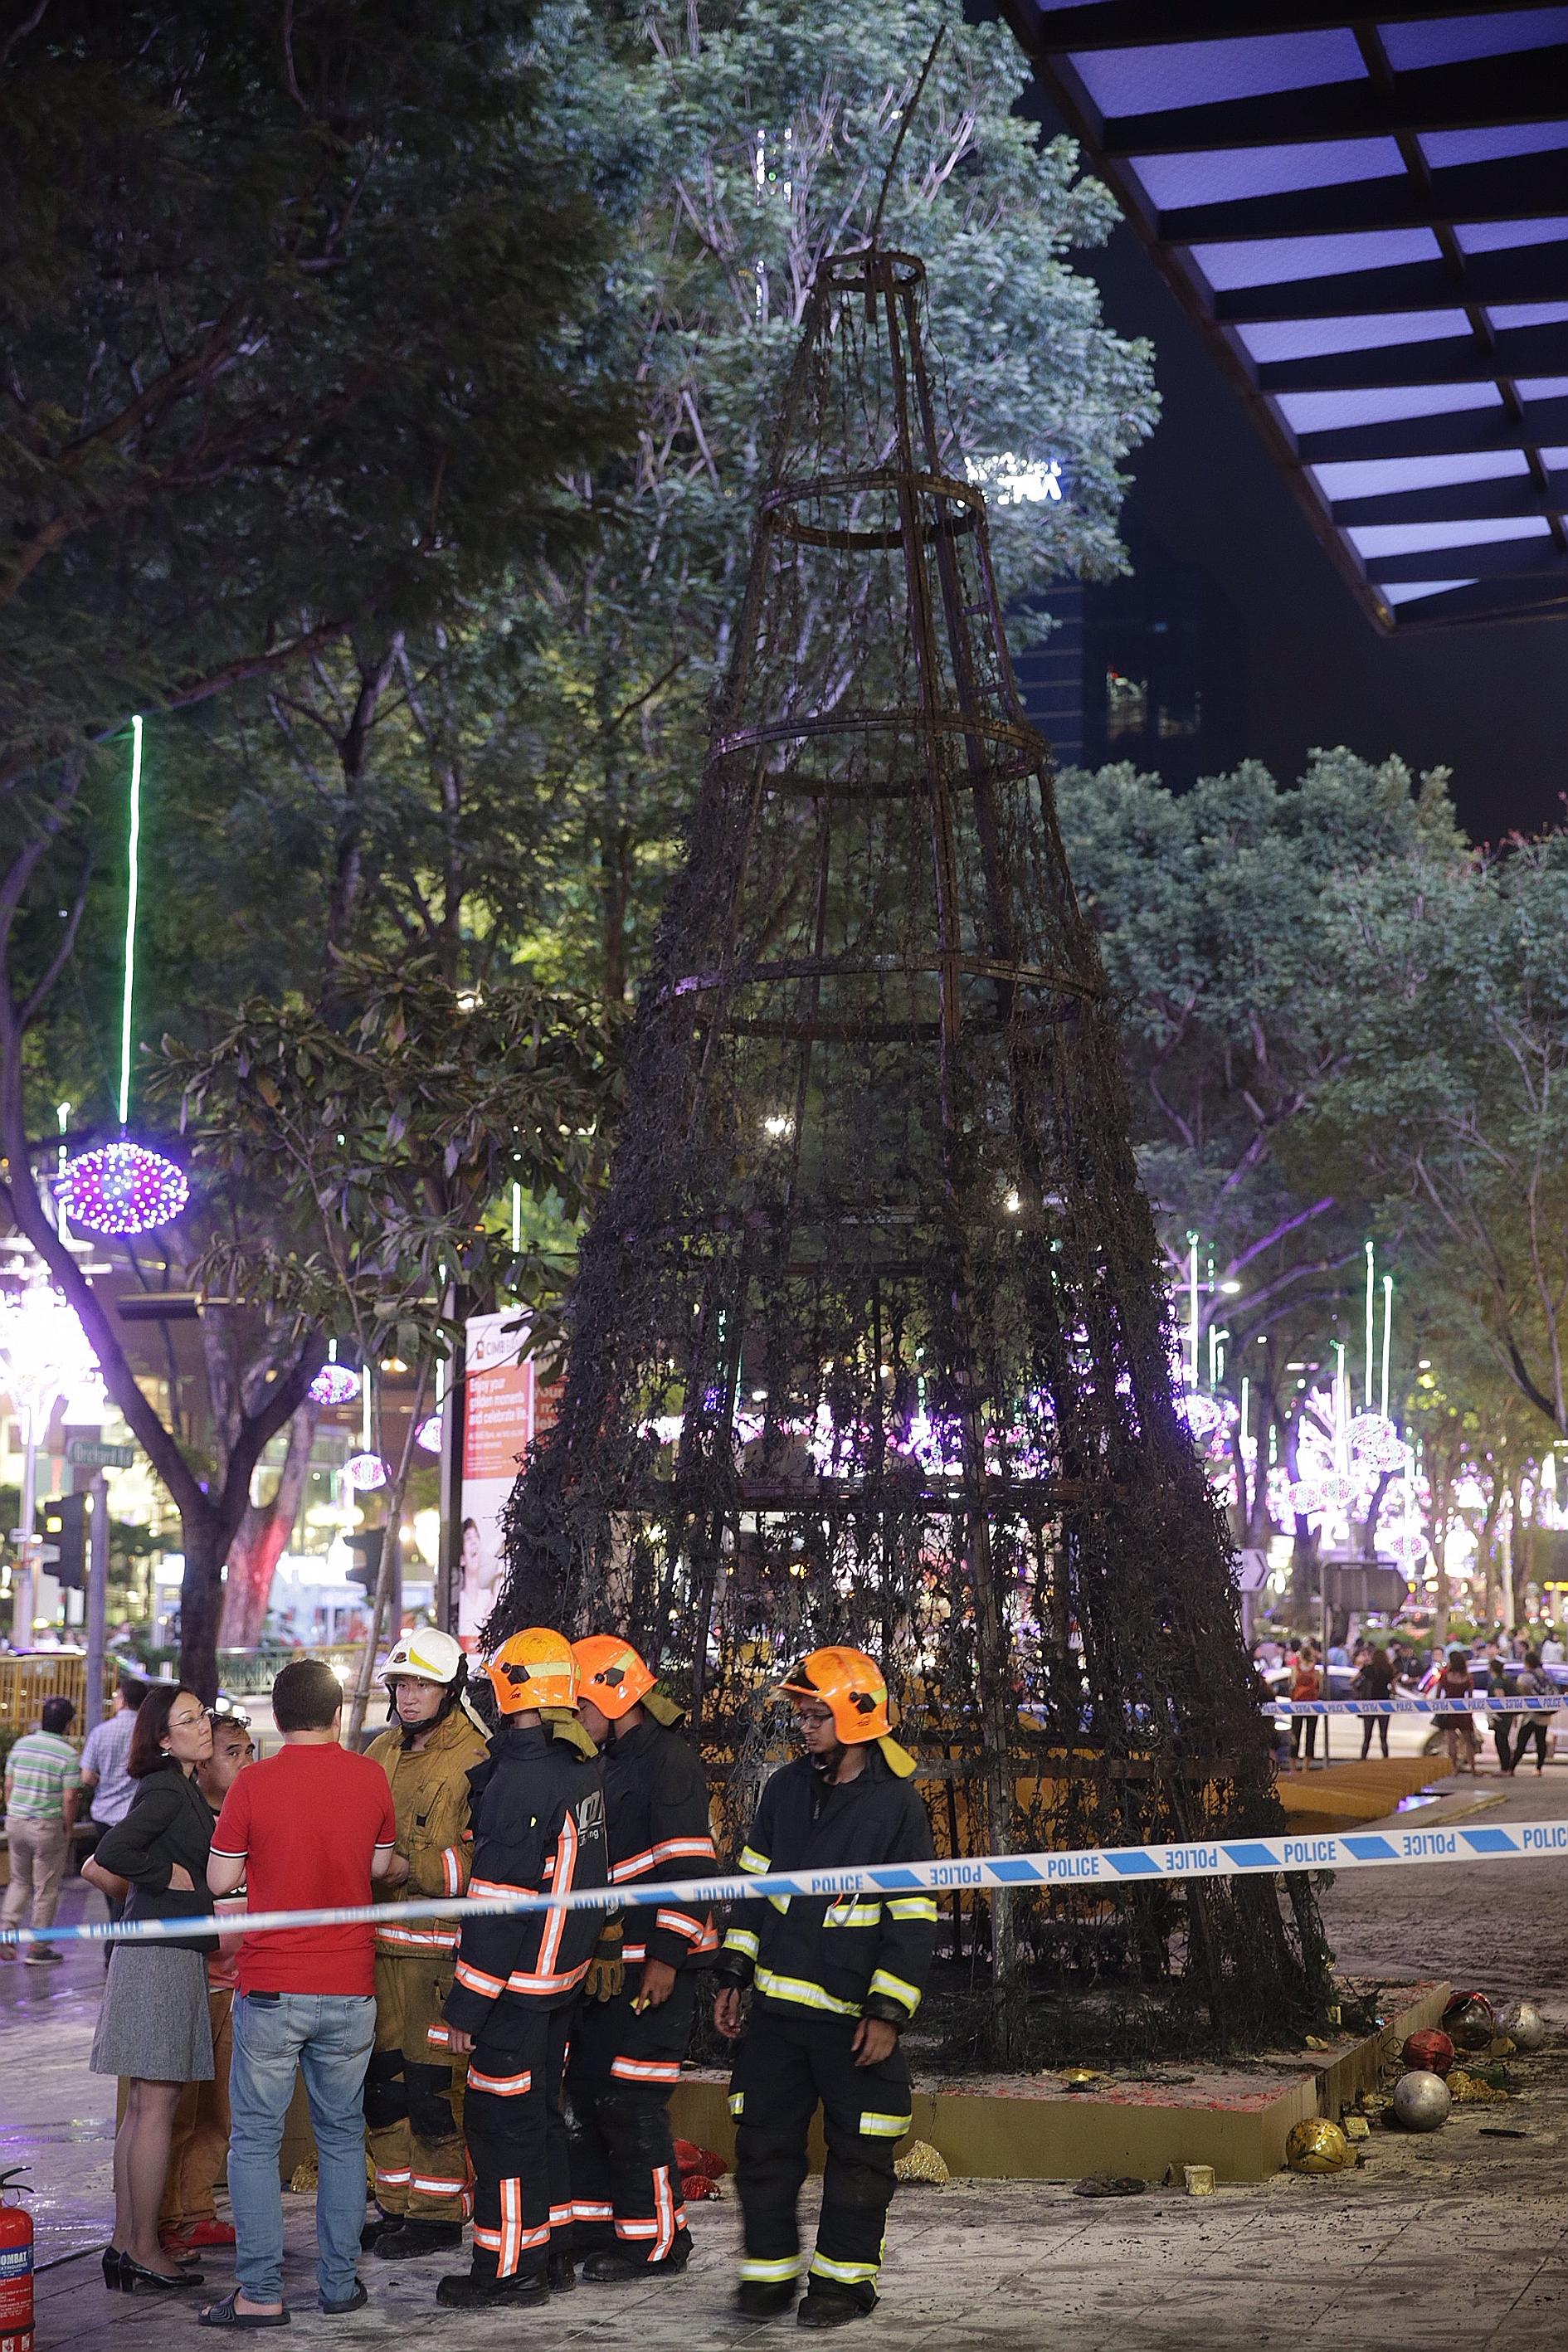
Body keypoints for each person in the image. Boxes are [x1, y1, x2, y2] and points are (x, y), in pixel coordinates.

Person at [713, 1646, 937, 2329]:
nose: (804, 1727)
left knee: (862, 2155)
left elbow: (913, 1918)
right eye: (802, 1716)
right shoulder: (784, 1790)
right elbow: (755, 1890)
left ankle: (842, 2285)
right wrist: (733, 1971)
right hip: (778, 2014)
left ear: (856, 1718)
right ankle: (769, 2278)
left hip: (852, 2022)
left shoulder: (897, 1807)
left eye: (817, 1715)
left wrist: (889, 2011)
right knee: (764, 2147)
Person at [200, 1656, 397, 2328]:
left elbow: (220, 1877)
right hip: (350, 1986)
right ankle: (339, 2286)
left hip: (273, 1987)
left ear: (277, 1719)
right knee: (343, 2136)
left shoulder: (252, 1784)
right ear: (339, 1713)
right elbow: (379, 1864)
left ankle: (260, 2293)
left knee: (254, 2141)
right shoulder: (371, 1774)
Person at [436, 1627, 609, 2311]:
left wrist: (465, 2009)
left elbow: (498, 1909)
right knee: (540, 2117)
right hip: (556, 1982)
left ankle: (508, 2268)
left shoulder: (525, 1779)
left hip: (514, 1990)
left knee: (502, 2127)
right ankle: (552, 2249)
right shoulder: (577, 1763)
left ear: (507, 1686)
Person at [567, 1635, 717, 2281]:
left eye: (578, 1705)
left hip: (659, 1966)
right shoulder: (611, 1759)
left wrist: (665, 1958)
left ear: (611, 1694)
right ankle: (614, 2229)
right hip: (613, 1965)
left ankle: (656, 2242)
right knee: (595, 2094)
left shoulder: (668, 1762)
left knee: (632, 2101)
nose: (572, 1719)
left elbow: (690, 1868)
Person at [85, 1684, 218, 2292]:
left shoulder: (183, 1786)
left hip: (155, 1954)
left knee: (143, 2108)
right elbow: (112, 1848)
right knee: (155, 2108)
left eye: (204, 1715)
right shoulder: (168, 1786)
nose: (204, 1725)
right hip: (160, 1957)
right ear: (163, 1738)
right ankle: (141, 2247)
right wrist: (168, 1872)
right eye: (188, 1719)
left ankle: (125, 2242)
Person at [362, 1629, 489, 2258]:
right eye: (401, 1685)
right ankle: (393, 2202)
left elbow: (485, 1861)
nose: (409, 1697)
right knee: (382, 2084)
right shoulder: (378, 1750)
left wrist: (413, 1866)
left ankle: (437, 2212)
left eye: (422, 1685)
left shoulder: (479, 1757)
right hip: (376, 1951)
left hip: (437, 1954)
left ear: (451, 1688)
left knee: (432, 2087)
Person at [158, 1712, 255, 2259]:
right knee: (179, 2114)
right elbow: (107, 1864)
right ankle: (166, 2218)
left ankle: (197, 2213)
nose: (246, 1761)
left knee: (222, 2112)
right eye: (233, 1752)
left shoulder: (249, 1815)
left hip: (240, 1987)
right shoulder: (185, 1820)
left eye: (249, 1749)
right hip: (194, 1983)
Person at [2, 1693, 81, 1964]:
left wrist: (13, 1810)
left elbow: (9, 1785)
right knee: (45, 1888)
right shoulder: (68, 1755)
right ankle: (38, 1947)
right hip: (46, 1827)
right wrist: (68, 1828)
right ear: (68, 1724)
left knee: (19, 1881)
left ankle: (6, 1935)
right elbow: (70, 1797)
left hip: (16, 1822)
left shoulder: (21, 1745)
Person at [80, 1673, 150, 1834]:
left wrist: (104, 1782)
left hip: (103, 1813)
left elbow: (86, 1776)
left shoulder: (100, 1732)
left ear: (123, 1701)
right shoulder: (149, 1733)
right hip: (136, 1813)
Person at [1512, 1648, 1556, 1775]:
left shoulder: (1525, 1676)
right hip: (1545, 1714)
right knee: (1540, 1741)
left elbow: (1520, 1692)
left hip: (1531, 1715)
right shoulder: (1546, 1675)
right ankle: (1538, 1768)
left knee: (1522, 1741)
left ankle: (1511, 1768)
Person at [1439, 1647, 1480, 1774]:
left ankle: (1454, 1768)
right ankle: (1473, 1768)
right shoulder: (1467, 1677)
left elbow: (1437, 1694)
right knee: (1468, 1741)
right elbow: (1471, 1696)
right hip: (1463, 1710)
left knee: (1451, 1741)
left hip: (1449, 1710)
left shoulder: (1445, 1676)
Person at [1354, 1642, 1395, 1760]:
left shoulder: (1368, 1669)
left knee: (1367, 1736)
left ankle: (1363, 1759)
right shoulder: (1389, 1669)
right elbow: (1394, 1689)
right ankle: (1385, 1759)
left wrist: (1358, 1690)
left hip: (1369, 1704)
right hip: (1384, 1704)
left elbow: (1353, 1681)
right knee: (1383, 1736)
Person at [1483, 1640, 1514, 1775]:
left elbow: (1500, 1698)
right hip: (1504, 1716)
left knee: (1501, 1741)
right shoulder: (1503, 1679)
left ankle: (1505, 1768)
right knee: (1502, 1740)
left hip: (1501, 1717)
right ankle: (1505, 1767)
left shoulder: (1498, 1682)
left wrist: (1496, 1714)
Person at [1288, 1645, 1321, 1772]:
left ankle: (1293, 1768)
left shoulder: (1295, 1670)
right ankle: (1306, 1767)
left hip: (1297, 1707)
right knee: (1310, 1735)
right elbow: (1319, 1689)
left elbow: (1292, 1685)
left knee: (1295, 1734)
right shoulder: (1316, 1672)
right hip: (1312, 1706)